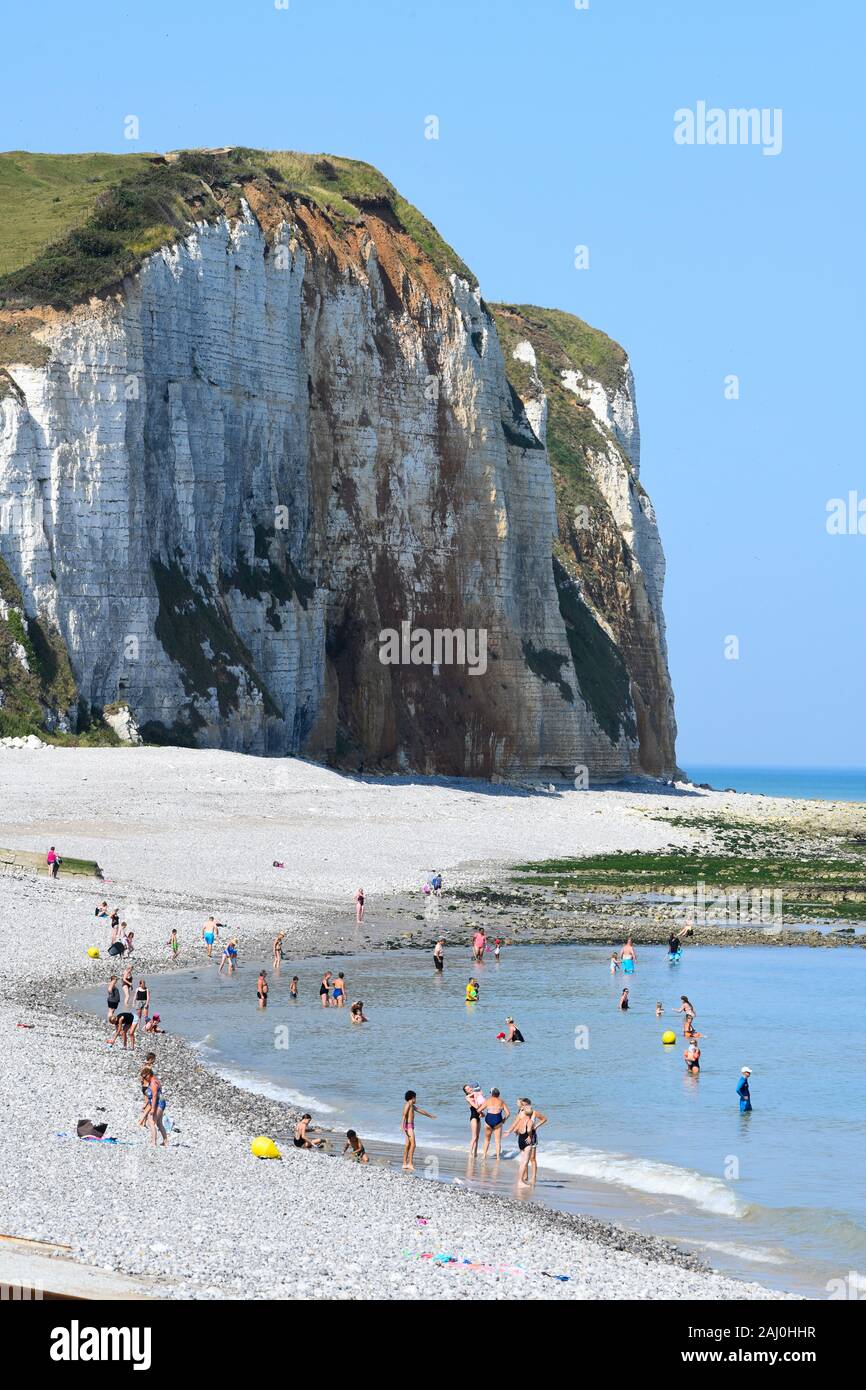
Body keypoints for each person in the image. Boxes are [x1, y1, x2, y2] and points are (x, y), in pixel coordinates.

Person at [506, 1098, 547, 1185]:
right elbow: (517, 1123)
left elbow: (544, 1119)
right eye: (522, 1105)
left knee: (532, 1158)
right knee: (524, 1158)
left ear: (528, 1105)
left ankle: (533, 1178)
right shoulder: (521, 1113)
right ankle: (525, 1176)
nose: (522, 1106)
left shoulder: (534, 1112)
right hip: (523, 1136)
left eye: (524, 1105)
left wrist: (536, 1126)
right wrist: (515, 1130)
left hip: (532, 1136)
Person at [401, 1091, 435, 1170]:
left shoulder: (412, 1106)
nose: (416, 1099)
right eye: (415, 1097)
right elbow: (404, 1115)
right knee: (413, 1145)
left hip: (410, 1126)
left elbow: (421, 1111)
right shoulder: (408, 1105)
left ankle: (404, 1163)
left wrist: (430, 1116)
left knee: (407, 1145)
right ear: (412, 1097)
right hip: (408, 1127)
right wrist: (402, 1126)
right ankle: (410, 1163)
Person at [141, 1067, 169, 1146]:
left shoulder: (153, 1082)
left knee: (151, 1121)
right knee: (159, 1123)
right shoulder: (155, 1080)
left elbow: (154, 1096)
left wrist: (153, 1108)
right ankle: (165, 1142)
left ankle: (154, 1142)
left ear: (149, 1074)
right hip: (161, 1102)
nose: (144, 1079)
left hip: (158, 1103)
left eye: (145, 1077)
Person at [481, 1088, 510, 1159]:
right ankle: (498, 1157)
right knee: (497, 1141)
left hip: (488, 1120)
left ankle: (484, 1155)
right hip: (498, 1121)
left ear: (491, 1094)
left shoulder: (487, 1100)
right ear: (498, 1094)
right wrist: (504, 1120)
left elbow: (479, 1110)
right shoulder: (501, 1101)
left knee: (487, 1139)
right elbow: (508, 1113)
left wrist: (482, 1114)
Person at [463, 1083, 485, 1156]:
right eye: (467, 1089)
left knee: (477, 1137)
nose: (469, 1089)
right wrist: (481, 1112)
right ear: (466, 1092)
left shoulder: (476, 1095)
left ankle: (475, 1153)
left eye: (470, 1087)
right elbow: (476, 1106)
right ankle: (470, 1153)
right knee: (474, 1136)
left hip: (478, 1117)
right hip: (473, 1118)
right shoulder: (468, 1098)